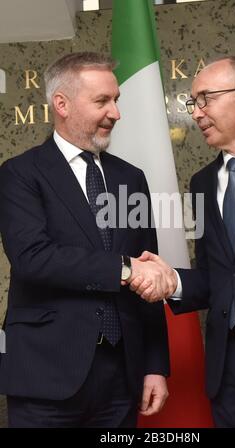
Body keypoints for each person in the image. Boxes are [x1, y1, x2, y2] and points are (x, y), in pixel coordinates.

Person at [0, 52, 172, 428]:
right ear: (61, 104)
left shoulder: (131, 178)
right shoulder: (19, 175)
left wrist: (156, 366)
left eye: (116, 100)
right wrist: (125, 270)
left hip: (121, 379)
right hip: (45, 376)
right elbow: (33, 257)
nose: (116, 112)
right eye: (102, 101)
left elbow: (150, 269)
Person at [131, 56, 235, 428]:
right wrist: (173, 282)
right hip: (228, 375)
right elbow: (218, 275)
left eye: (206, 98)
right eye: (194, 102)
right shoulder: (203, 182)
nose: (197, 112)